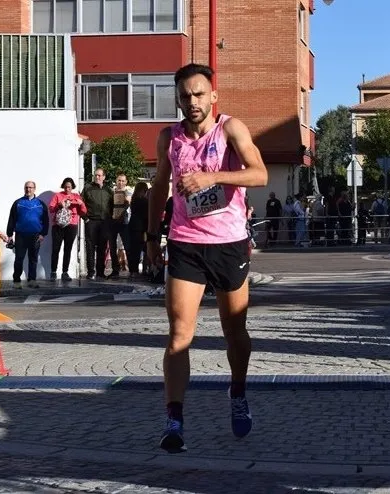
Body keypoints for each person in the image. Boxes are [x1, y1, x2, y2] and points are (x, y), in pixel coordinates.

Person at [147, 63, 268, 453]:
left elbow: (260, 174)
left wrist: (212, 177)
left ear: (213, 96)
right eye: (185, 95)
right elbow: (158, 188)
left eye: (199, 94)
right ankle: (174, 419)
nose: (192, 101)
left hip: (229, 243)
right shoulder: (169, 137)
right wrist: (152, 236)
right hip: (184, 242)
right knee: (180, 335)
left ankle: (237, 391)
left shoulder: (231, 129)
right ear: (178, 99)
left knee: (235, 333)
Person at [6, 181, 49, 289]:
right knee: (19, 258)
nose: (28, 189)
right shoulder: (18, 203)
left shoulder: (40, 204)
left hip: (35, 236)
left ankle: (32, 280)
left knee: (33, 259)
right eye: (26, 187)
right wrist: (10, 234)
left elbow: (46, 220)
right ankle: (16, 281)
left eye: (30, 187)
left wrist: (43, 234)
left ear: (34, 189)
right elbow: (12, 219)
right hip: (21, 235)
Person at [48, 178, 87, 282]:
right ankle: (53, 272)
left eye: (69, 187)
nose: (67, 189)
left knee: (67, 249)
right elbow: (51, 209)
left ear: (72, 187)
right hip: (58, 225)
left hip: (72, 225)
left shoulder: (76, 197)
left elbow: (83, 211)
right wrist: (59, 205)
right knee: (56, 249)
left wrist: (81, 203)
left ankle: (65, 272)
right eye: (65, 187)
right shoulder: (57, 195)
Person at [81, 168, 113, 280]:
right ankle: (91, 272)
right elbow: (80, 204)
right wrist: (85, 218)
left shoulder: (109, 190)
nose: (97, 177)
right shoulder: (87, 188)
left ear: (104, 177)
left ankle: (100, 272)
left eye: (99, 175)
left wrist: (110, 220)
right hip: (91, 222)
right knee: (90, 247)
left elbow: (112, 206)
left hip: (104, 222)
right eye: (96, 175)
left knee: (102, 247)